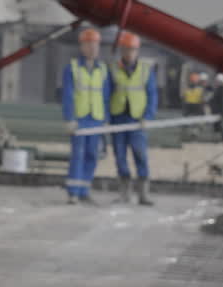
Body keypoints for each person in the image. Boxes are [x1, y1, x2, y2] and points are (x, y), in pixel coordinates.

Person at [62, 27, 111, 204]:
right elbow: (67, 95)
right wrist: (69, 119)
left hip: (96, 119)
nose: (92, 48)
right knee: (78, 155)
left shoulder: (104, 69)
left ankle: (84, 190)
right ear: (82, 46)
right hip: (80, 119)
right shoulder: (72, 69)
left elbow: (106, 97)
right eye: (88, 44)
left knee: (92, 155)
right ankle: (73, 192)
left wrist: (106, 119)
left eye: (95, 45)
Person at [110, 31, 158, 205]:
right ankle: (125, 194)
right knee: (120, 156)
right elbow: (107, 93)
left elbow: (152, 95)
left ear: (137, 51)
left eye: (132, 49)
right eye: (126, 49)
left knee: (140, 155)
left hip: (137, 120)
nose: (129, 53)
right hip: (118, 118)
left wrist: (148, 117)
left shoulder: (145, 70)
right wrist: (107, 118)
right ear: (121, 50)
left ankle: (143, 194)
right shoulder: (113, 68)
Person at [209, 73, 223, 141]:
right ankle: (218, 138)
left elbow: (221, 102)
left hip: (218, 111)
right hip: (216, 111)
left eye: (217, 81)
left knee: (219, 125)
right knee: (216, 126)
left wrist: (221, 112)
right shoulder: (218, 89)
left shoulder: (222, 90)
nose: (216, 82)